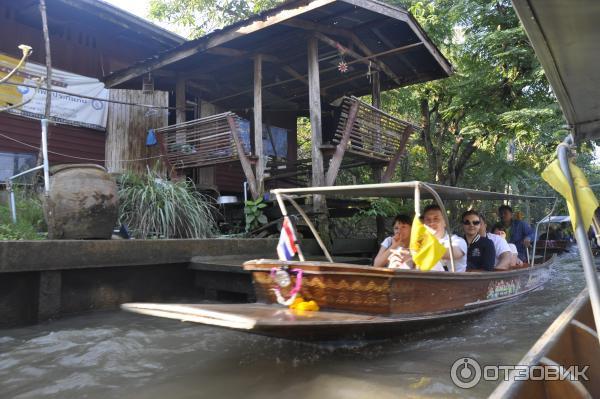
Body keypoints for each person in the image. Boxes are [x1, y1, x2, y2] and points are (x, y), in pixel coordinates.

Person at [422, 204, 467, 272]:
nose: (431, 223)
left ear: (445, 222)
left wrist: (418, 251)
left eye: (436, 219)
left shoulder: (457, 241)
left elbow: (453, 253)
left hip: (453, 282)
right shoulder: (420, 243)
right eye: (428, 220)